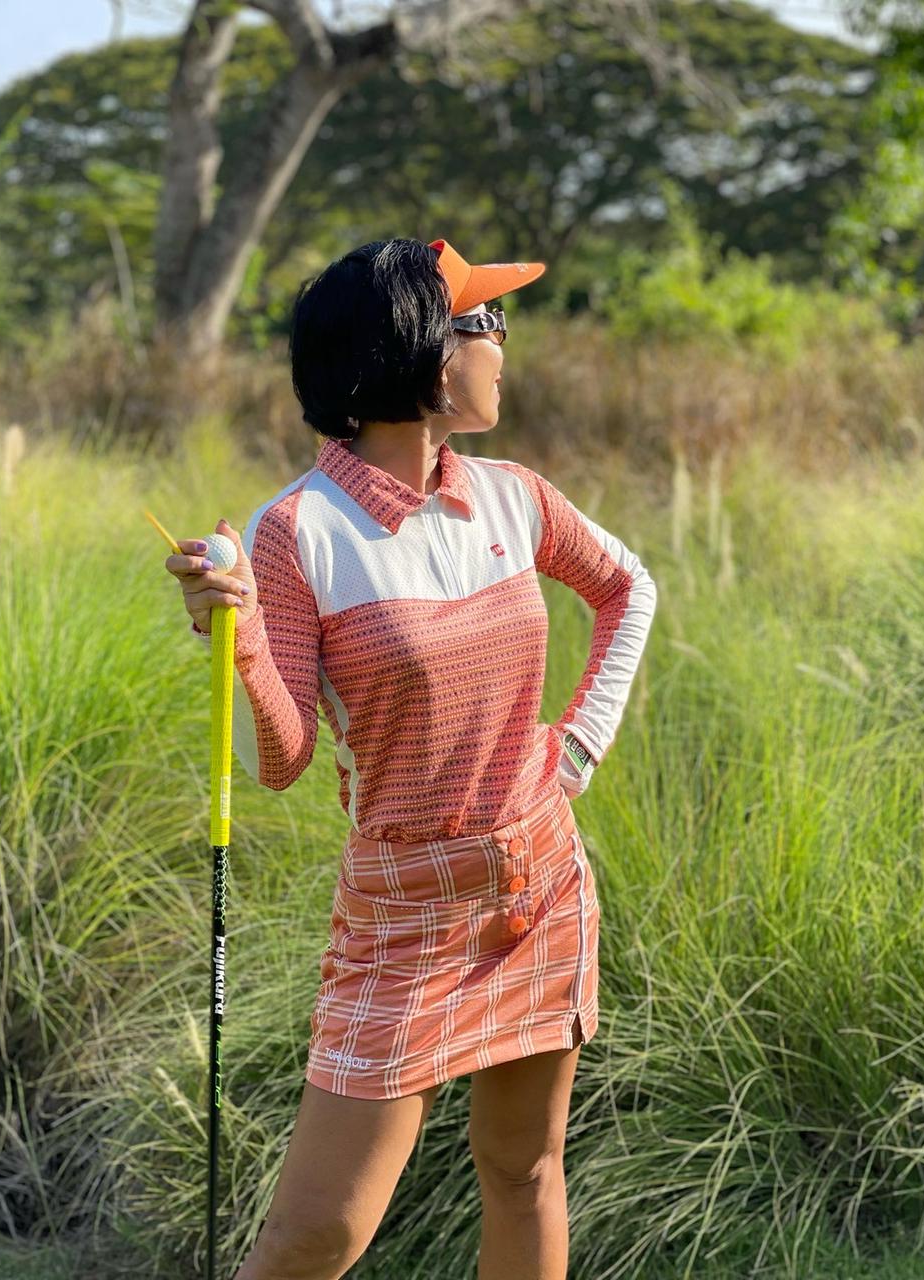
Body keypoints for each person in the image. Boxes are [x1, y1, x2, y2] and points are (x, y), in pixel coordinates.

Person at [164, 237, 656, 1280]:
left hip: (540, 880)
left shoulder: (513, 496)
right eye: (485, 323)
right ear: (427, 354)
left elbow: (628, 588)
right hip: (403, 910)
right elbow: (286, 758)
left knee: (524, 1169)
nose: (502, 345)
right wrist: (241, 637)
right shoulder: (295, 533)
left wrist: (573, 747)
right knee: (320, 1231)